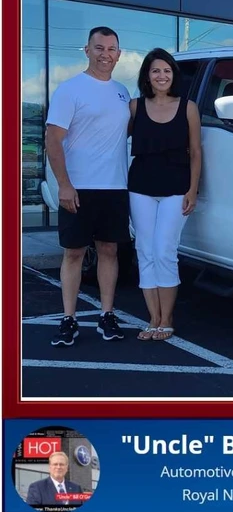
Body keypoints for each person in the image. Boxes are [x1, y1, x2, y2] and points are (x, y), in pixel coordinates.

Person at [45, 26, 131, 346]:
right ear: (87, 50)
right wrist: (64, 185)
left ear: (119, 55)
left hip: (114, 188)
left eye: (111, 49)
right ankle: (69, 319)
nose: (105, 54)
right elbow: (53, 141)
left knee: (109, 251)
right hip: (78, 188)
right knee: (74, 254)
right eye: (99, 48)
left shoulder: (123, 92)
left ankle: (106, 315)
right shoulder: (71, 89)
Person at [128, 48, 201, 341]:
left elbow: (196, 152)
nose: (161, 76)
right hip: (140, 188)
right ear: (147, 74)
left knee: (164, 251)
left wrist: (193, 189)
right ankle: (153, 319)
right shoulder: (134, 107)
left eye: (167, 71)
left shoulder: (188, 107)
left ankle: (167, 318)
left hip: (176, 189)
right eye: (156, 70)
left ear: (174, 75)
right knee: (144, 251)